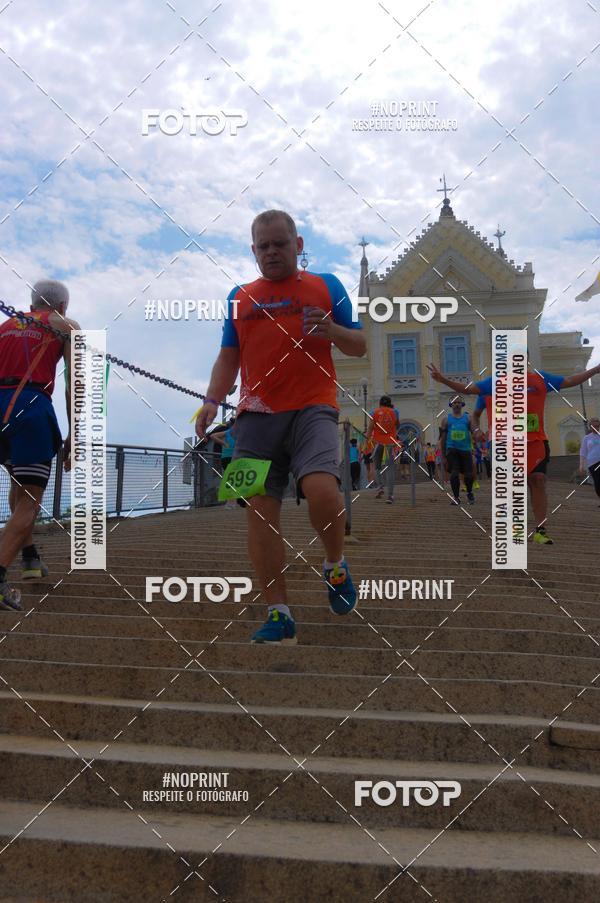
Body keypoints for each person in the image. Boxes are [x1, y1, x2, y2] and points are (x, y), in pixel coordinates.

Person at [195, 209, 366, 644]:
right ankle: (279, 613)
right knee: (259, 511)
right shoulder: (239, 296)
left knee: (322, 490)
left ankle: (335, 564)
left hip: (314, 408)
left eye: (280, 244)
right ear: (253, 250)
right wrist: (212, 400)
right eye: (263, 246)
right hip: (254, 417)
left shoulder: (327, 285)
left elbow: (360, 344)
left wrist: (330, 330)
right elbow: (227, 356)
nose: (271, 252)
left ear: (298, 245)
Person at [428, 358, 600, 543]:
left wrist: (595, 370)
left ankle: (540, 530)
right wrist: (443, 380)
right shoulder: (493, 383)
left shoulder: (540, 379)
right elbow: (468, 390)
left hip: (535, 441)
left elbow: (570, 381)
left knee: (538, 480)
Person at [0, 280, 78, 609]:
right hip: (31, 407)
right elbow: (74, 383)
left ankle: (30, 559)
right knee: (30, 502)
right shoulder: (65, 325)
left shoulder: (5, 326)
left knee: (19, 487)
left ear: (32, 304)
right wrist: (75, 433)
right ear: (62, 306)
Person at [438, 395, 477, 506]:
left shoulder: (468, 418)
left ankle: (469, 492)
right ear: (451, 405)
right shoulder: (446, 420)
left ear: (462, 405)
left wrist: (475, 443)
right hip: (452, 449)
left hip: (466, 450)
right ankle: (456, 497)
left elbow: (473, 431)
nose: (456, 404)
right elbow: (443, 438)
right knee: (454, 473)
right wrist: (444, 455)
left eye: (458, 402)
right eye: (454, 403)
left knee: (468, 475)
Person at [366, 395, 399, 503]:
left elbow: (370, 427)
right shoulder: (395, 412)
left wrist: (367, 439)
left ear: (380, 404)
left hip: (378, 443)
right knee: (390, 469)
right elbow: (397, 425)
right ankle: (391, 495)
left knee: (377, 466)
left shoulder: (374, 412)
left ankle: (380, 487)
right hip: (390, 443)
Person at [210, 418, 237, 509]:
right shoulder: (229, 432)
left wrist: (224, 443)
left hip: (230, 457)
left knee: (232, 478)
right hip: (230, 457)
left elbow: (213, 436)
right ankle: (231, 502)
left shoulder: (231, 432)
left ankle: (232, 501)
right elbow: (213, 436)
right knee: (232, 479)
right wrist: (223, 443)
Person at [580, 417, 600, 504]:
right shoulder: (587, 438)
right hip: (592, 463)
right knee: (597, 482)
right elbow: (583, 451)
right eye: (594, 426)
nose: (596, 427)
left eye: (598, 426)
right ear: (590, 427)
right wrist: (581, 465)